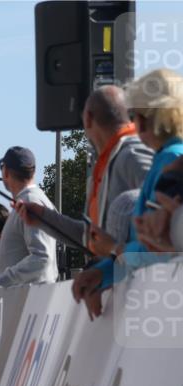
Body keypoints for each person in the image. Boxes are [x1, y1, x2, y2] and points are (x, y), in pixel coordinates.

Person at [72, 68, 183, 317]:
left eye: (136, 112)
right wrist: (104, 273)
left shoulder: (170, 160)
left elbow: (155, 249)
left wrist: (113, 250)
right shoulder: (165, 158)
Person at [16, 86, 153, 257]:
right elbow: (90, 238)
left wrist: (116, 251)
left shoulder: (132, 155)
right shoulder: (111, 160)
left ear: (87, 118)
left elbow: (168, 221)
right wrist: (43, 218)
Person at [0, 148, 58, 304]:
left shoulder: (30, 202)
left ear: (6, 172)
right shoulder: (30, 201)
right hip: (26, 301)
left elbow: (41, 259)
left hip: (31, 304)